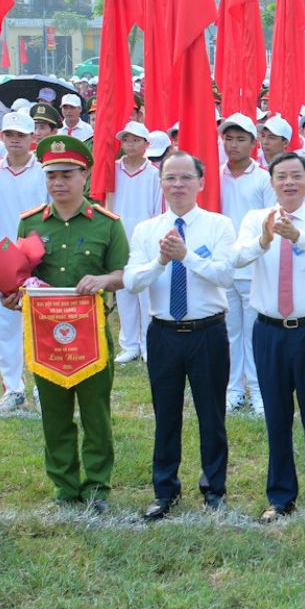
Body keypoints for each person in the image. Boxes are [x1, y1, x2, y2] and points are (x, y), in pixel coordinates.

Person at [7, 135, 128, 512]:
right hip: (46, 338)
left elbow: (124, 272)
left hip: (91, 336)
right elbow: (19, 277)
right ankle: (64, 487)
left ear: (85, 175)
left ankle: (96, 487)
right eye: (52, 176)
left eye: (67, 175)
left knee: (96, 414)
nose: (59, 183)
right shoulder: (29, 224)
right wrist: (10, 295)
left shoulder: (106, 224)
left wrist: (104, 281)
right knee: (55, 415)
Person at [120, 150, 238, 519]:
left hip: (207, 332)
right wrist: (161, 260)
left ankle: (213, 488)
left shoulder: (219, 225)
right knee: (166, 414)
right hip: (164, 334)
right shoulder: (146, 230)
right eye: (170, 177)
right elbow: (132, 282)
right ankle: (165, 489)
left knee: (211, 413)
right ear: (161, 184)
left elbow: (224, 275)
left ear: (201, 183)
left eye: (186, 177)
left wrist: (186, 255)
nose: (178, 184)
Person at [232, 151, 305, 521]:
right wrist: (264, 240)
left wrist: (298, 235)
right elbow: (236, 258)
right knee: (276, 416)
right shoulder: (254, 219)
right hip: (268, 332)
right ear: (272, 182)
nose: (289, 182)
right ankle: (280, 497)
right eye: (282, 176)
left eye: (296, 175)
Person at [0, 110, 48, 414]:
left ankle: (44, 383)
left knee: (40, 321)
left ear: (32, 138)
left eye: (21, 135)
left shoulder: (44, 172)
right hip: (2, 256)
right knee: (6, 323)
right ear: (2, 137)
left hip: (38, 255)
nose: (15, 141)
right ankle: (13, 387)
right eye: (10, 135)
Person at [218, 114, 276, 415]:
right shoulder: (214, 176)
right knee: (230, 333)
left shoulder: (264, 178)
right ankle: (233, 390)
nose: (234, 144)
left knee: (254, 333)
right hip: (225, 268)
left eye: (241, 139)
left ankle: (257, 390)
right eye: (228, 138)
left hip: (253, 268)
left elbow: (270, 225)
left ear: (254, 143)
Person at [109, 121, 164, 365]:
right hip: (119, 238)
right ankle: (129, 343)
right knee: (124, 292)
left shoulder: (154, 173)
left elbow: (157, 208)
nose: (130, 145)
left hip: (144, 240)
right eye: (126, 140)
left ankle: (148, 343)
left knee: (146, 294)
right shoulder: (112, 170)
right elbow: (108, 203)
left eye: (135, 140)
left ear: (146, 144)